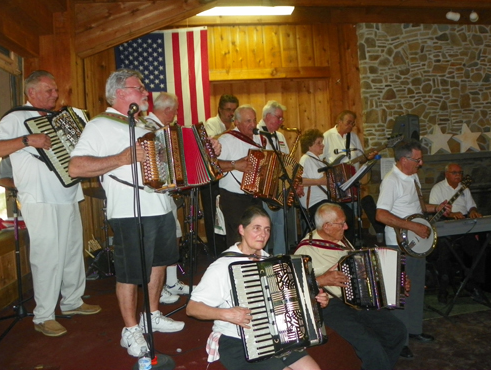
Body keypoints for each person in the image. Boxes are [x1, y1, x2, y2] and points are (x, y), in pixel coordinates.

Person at [69, 69, 185, 357]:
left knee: (159, 263)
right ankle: (131, 329)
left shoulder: (144, 125)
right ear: (120, 93)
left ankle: (152, 314)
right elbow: (76, 167)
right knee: (130, 272)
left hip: (160, 205)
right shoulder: (99, 125)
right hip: (128, 210)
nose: (146, 92)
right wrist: (121, 158)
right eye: (139, 88)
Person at [0, 70, 101, 337]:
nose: (55, 94)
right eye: (49, 90)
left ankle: (73, 301)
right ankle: (43, 316)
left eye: (55, 90)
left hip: (68, 192)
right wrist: (27, 140)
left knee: (73, 251)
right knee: (47, 256)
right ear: (31, 92)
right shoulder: (16, 117)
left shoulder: (58, 118)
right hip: (38, 197)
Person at [186, 205, 328, 370]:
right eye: (256, 228)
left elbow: (288, 303)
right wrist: (226, 313)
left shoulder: (272, 262)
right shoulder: (222, 266)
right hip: (236, 342)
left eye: (267, 229)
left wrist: (313, 301)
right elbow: (192, 308)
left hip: (277, 338)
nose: (263, 234)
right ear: (241, 229)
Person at [295, 203, 406, 370]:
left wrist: (398, 281)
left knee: (397, 331)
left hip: (357, 299)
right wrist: (322, 280)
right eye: (341, 223)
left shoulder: (341, 240)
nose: (346, 227)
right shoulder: (306, 250)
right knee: (370, 345)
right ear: (327, 226)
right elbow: (295, 286)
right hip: (331, 306)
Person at [376, 139, 451, 359]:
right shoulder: (391, 181)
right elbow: (380, 214)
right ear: (403, 159)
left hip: (415, 244)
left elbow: (416, 207)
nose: (421, 163)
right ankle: (399, 342)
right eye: (417, 159)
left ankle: (413, 330)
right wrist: (413, 226)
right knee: (399, 293)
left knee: (416, 288)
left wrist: (436, 208)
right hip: (398, 243)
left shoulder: (412, 176)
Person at [145, 92, 192, 305]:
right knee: (160, 244)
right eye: (175, 110)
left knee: (175, 236)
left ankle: (171, 282)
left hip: (166, 193)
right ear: (167, 110)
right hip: (152, 196)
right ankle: (159, 287)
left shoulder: (165, 129)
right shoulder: (147, 126)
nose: (176, 114)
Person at [429, 163, 489, 305]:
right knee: (444, 254)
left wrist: (473, 210)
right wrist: (451, 214)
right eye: (455, 173)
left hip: (463, 225)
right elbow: (434, 212)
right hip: (446, 225)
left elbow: (471, 205)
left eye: (460, 173)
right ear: (446, 174)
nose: (458, 176)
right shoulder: (438, 189)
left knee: (479, 252)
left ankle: (472, 283)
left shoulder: (464, 188)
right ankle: (443, 290)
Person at [322, 110, 382, 244]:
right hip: (336, 183)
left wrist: (368, 157)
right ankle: (344, 241)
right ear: (339, 121)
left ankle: (357, 239)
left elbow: (360, 157)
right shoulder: (327, 136)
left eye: (353, 123)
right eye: (348, 122)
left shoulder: (353, 137)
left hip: (352, 180)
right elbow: (321, 160)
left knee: (358, 207)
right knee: (344, 212)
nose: (351, 126)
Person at [217, 105, 264, 245]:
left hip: (255, 196)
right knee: (238, 239)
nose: (253, 125)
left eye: (254, 120)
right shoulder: (226, 140)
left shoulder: (259, 139)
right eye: (248, 121)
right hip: (233, 199)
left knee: (257, 236)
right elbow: (212, 165)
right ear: (236, 122)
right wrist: (234, 165)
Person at [298, 129, 355, 242]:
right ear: (309, 146)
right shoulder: (306, 159)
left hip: (324, 201)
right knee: (346, 214)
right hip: (314, 203)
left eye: (322, 142)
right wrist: (320, 181)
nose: (322, 145)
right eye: (318, 143)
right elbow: (299, 181)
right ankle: (342, 244)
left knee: (347, 213)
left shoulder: (319, 161)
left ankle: (342, 244)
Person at [256, 100, 296, 254]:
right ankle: (262, 257)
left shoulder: (279, 135)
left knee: (281, 224)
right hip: (264, 188)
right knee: (263, 225)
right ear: (267, 116)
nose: (281, 121)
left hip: (280, 187)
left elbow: (286, 159)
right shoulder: (256, 134)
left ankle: (281, 256)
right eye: (278, 118)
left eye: (282, 118)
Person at [201, 95, 239, 255]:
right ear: (220, 110)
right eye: (228, 110)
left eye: (234, 110)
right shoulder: (211, 124)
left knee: (226, 216)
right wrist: (230, 132)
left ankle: (228, 250)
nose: (231, 114)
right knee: (213, 216)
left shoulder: (233, 125)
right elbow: (209, 145)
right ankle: (215, 253)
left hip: (226, 176)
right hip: (211, 178)